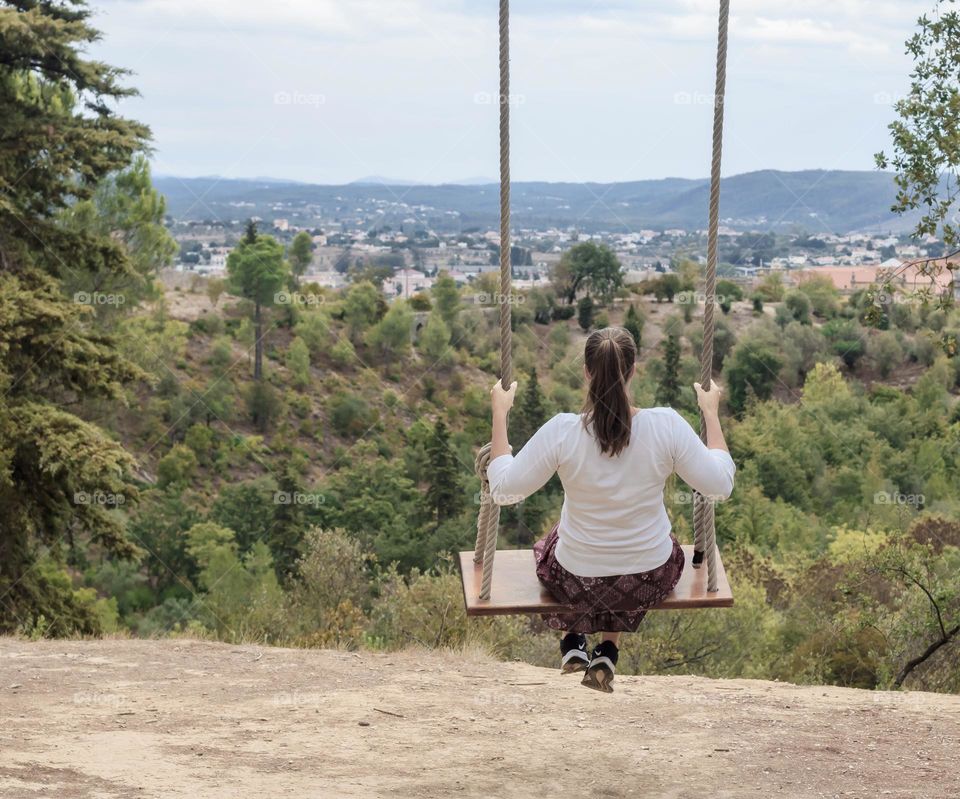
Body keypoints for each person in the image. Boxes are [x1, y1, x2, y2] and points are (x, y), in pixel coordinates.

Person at [487, 327, 734, 693]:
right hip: (646, 576)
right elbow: (720, 485)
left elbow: (503, 491)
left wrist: (500, 413)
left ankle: (575, 640)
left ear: (587, 372)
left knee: (561, 545)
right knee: (632, 558)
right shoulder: (666, 425)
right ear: (634, 370)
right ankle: (607, 647)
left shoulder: (563, 432)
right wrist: (711, 414)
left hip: (577, 578)